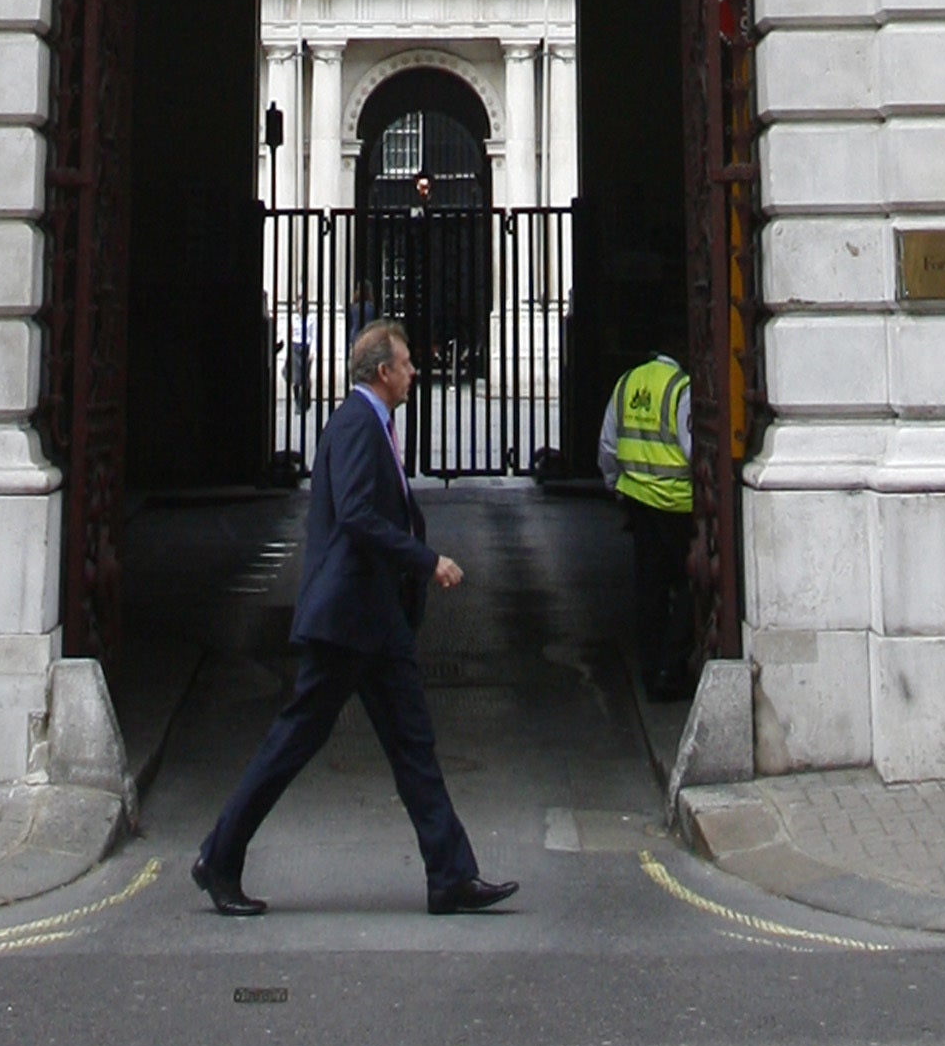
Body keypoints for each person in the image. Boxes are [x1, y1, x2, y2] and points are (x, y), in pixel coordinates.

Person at [190, 321, 518, 918]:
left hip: (374, 618)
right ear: (382, 372)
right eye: (408, 362)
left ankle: (451, 876)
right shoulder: (355, 425)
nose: (416, 372)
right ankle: (219, 856)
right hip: (348, 618)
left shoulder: (371, 424)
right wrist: (427, 562)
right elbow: (359, 517)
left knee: (413, 743)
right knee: (294, 739)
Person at [599, 347, 697, 700]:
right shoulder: (681, 387)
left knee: (649, 589)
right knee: (692, 584)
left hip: (638, 502)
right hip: (677, 504)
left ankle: (649, 669)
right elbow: (693, 449)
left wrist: (615, 486)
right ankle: (671, 668)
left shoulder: (627, 382)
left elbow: (608, 446)